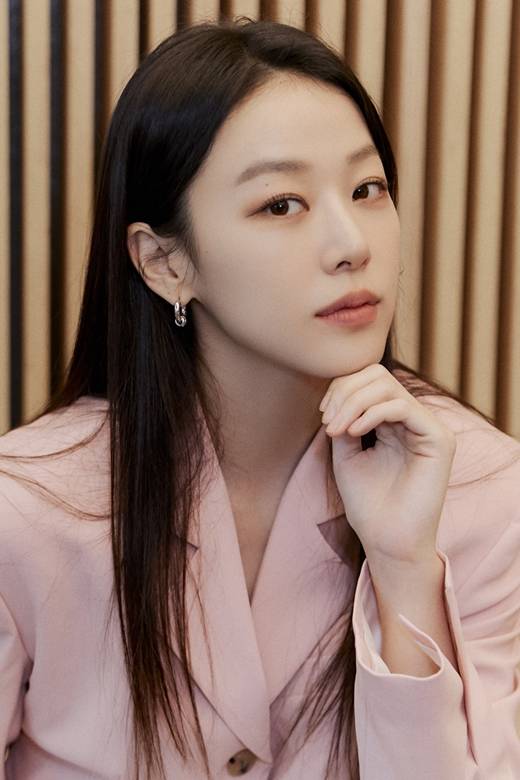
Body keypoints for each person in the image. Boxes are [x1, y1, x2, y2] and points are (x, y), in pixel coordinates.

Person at [0, 16, 519, 780]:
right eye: (281, 204)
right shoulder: (27, 511)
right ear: (164, 263)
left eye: (368, 189)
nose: (352, 244)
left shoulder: (483, 488)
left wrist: (403, 568)